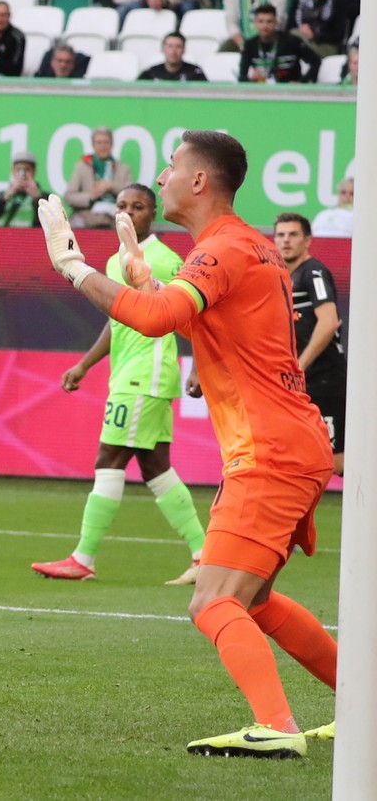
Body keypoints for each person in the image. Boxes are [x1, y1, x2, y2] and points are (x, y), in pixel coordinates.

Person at [37, 130, 338, 758]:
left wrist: (72, 265)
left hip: (268, 451)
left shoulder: (223, 248)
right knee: (252, 601)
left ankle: (277, 730)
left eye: (172, 167)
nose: (163, 176)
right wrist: (146, 284)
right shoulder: (253, 246)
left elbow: (153, 322)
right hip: (291, 440)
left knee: (212, 600)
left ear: (199, 181)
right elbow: (211, 323)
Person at [31, 183, 205, 584]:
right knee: (156, 467)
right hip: (130, 373)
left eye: (138, 206)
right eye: (122, 205)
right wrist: (85, 365)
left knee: (108, 460)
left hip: (146, 374)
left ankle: (84, 557)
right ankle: (203, 553)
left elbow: (193, 313)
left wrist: (197, 364)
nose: (128, 212)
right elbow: (118, 320)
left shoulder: (163, 260)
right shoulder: (114, 261)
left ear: (154, 213)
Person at [274, 213, 347, 476]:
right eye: (281, 235)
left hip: (324, 379)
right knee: (297, 455)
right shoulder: (278, 277)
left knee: (335, 461)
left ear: (307, 241)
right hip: (298, 382)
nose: (286, 241)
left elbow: (328, 322)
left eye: (293, 235)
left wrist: (298, 367)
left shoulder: (313, 272)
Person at [63, 126, 132, 229]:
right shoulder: (82, 166)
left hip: (114, 217)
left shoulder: (123, 168)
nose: (102, 146)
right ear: (93, 145)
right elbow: (69, 197)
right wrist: (91, 196)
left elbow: (131, 195)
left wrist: (111, 186)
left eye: (106, 142)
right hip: (87, 216)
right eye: (99, 142)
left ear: (111, 144)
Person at [240, 3, 322, 83]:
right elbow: (242, 77)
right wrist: (252, 80)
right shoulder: (249, 45)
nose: (265, 26)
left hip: (291, 92)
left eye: (269, 21)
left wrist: (302, 83)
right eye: (261, 21)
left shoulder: (292, 41)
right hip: (263, 91)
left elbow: (316, 61)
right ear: (255, 23)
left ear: (276, 23)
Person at [0, 149, 44, 226]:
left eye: (27, 170)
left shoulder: (44, 198)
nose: (23, 174)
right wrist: (7, 195)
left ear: (34, 171)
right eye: (19, 170)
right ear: (12, 171)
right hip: (3, 237)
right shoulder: (2, 196)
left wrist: (37, 198)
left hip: (30, 237)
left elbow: (47, 222)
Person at [139, 32, 207, 80]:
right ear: (163, 49)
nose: (173, 51)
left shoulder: (195, 73)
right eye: (170, 46)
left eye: (178, 47)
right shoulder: (151, 73)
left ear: (184, 50)